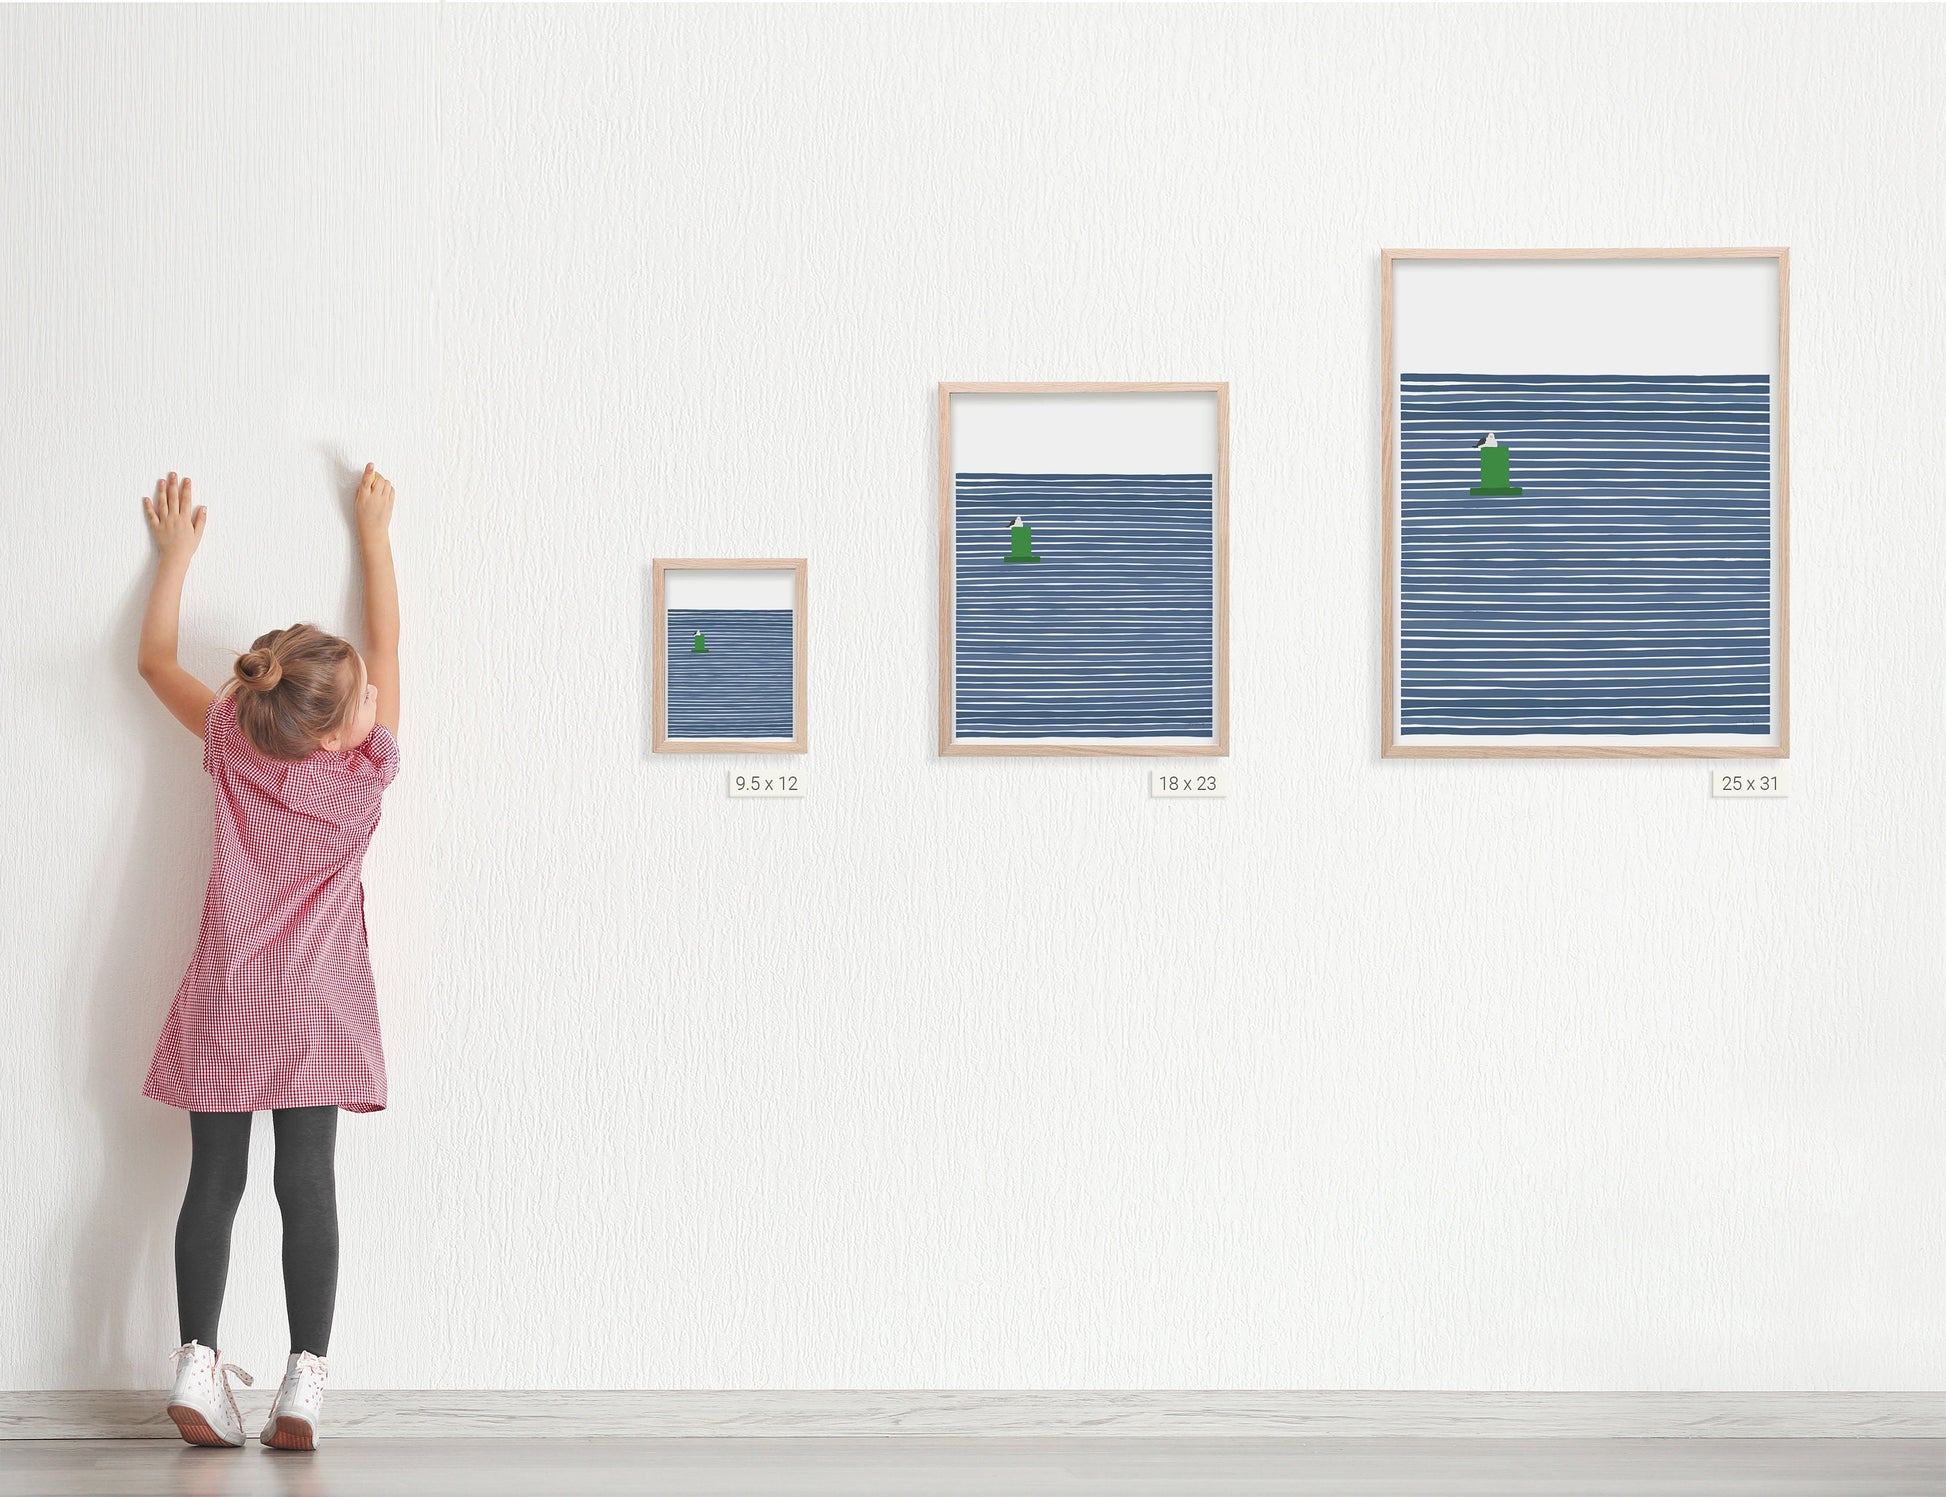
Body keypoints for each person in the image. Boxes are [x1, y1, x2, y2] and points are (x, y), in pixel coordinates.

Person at [135, 464, 401, 1451]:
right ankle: (302, 1384)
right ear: (342, 722)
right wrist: (374, 533)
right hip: (319, 1012)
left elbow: (154, 660)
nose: (376, 691)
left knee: (213, 1183)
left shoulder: (232, 741)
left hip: (230, 1001)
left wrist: (175, 558)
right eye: (364, 691)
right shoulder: (366, 777)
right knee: (309, 1188)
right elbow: (389, 648)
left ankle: (197, 1367)